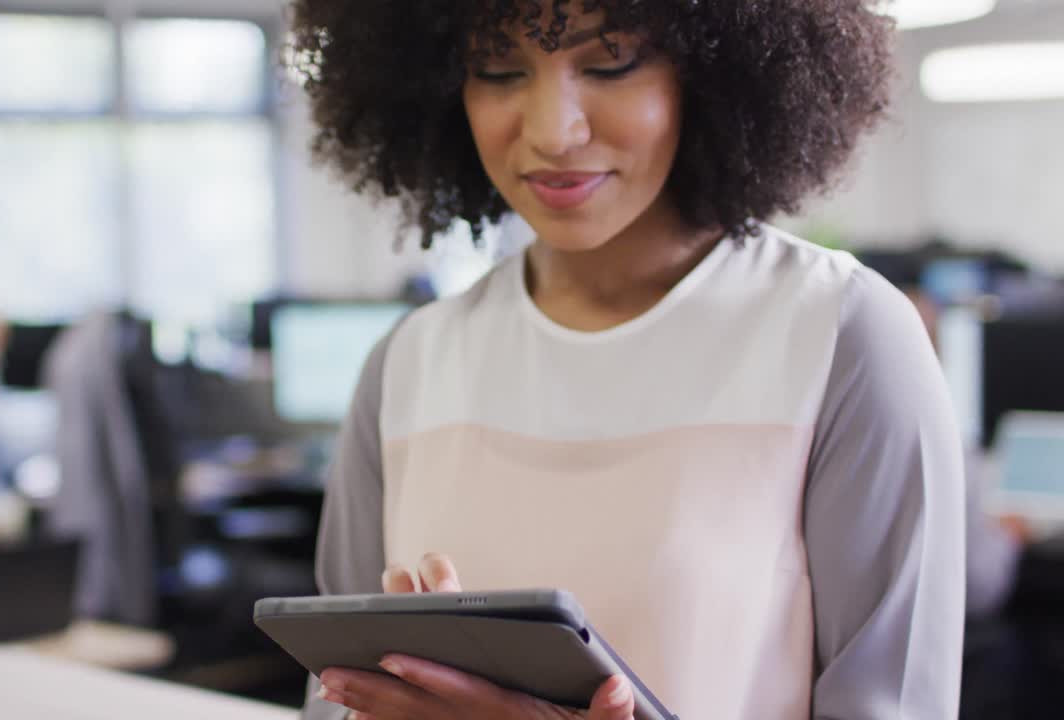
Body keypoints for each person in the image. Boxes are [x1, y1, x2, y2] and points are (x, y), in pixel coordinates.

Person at [288, 1, 965, 718]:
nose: (554, 130)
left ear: (709, 72)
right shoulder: (408, 365)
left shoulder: (843, 335)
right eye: (497, 69)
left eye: (611, 62)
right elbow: (338, 697)